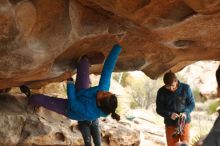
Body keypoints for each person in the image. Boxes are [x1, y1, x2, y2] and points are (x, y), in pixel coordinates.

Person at [20, 44, 122, 146]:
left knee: (39, 99)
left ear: (99, 103)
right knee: (84, 62)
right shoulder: (104, 91)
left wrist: (69, 82)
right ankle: (83, 62)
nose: (103, 91)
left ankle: (30, 98)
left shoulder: (89, 112)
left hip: (69, 108)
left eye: (103, 94)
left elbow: (73, 102)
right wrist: (117, 48)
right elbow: (108, 69)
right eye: (107, 92)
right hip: (82, 93)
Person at [156, 71, 195, 146]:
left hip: (185, 122)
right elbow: (159, 109)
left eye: (173, 85)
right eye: (168, 86)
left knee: (185, 145)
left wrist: (185, 113)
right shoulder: (161, 92)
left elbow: (192, 104)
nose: (171, 88)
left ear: (176, 81)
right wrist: (170, 115)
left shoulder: (186, 88)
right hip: (170, 124)